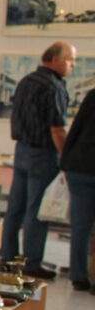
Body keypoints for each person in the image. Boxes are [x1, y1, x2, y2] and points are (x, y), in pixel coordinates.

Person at [0, 41, 76, 279]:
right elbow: (57, 129)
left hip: (21, 150)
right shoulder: (53, 87)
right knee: (36, 210)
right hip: (43, 154)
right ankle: (32, 263)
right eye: (70, 60)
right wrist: (66, 158)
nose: (72, 65)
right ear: (55, 59)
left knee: (15, 209)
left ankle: (7, 258)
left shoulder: (26, 81)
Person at [61, 87, 95, 291]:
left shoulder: (92, 95)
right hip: (82, 167)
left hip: (80, 167)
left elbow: (76, 129)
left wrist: (65, 163)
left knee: (81, 227)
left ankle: (79, 277)